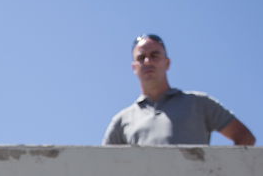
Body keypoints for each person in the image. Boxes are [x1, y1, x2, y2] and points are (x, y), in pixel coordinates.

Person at [103, 35, 255, 146]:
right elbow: (103, 166)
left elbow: (244, 137)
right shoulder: (122, 120)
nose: (148, 62)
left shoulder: (199, 104)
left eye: (154, 55)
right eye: (141, 58)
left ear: (167, 63)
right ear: (134, 67)